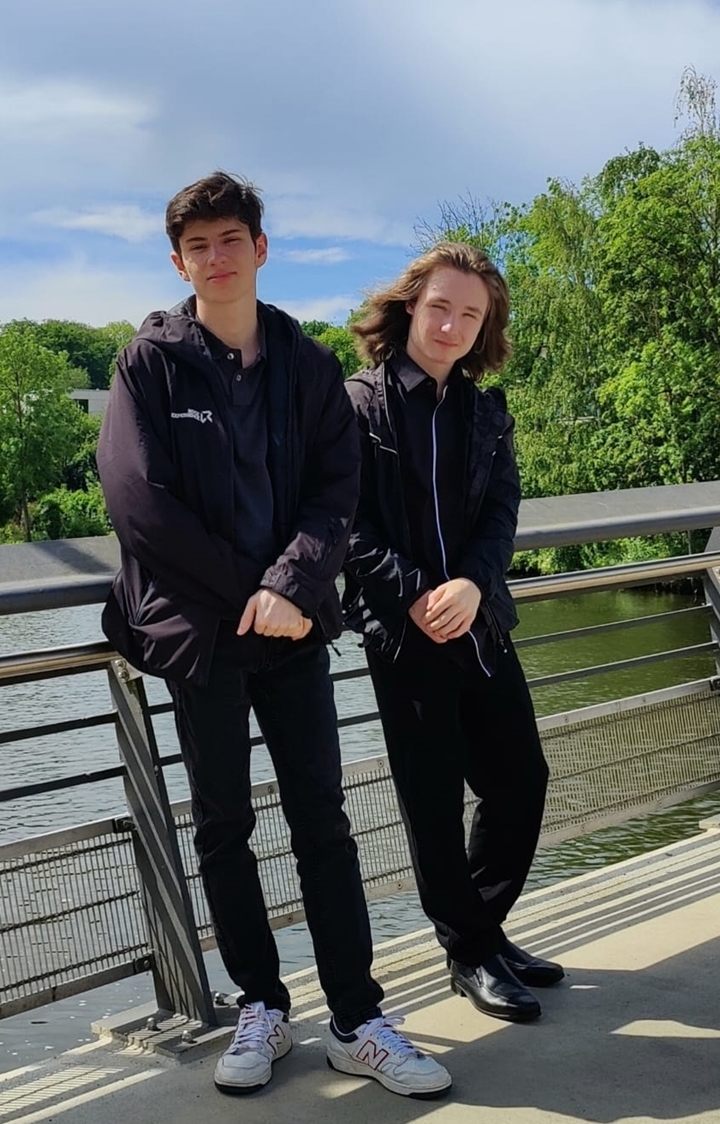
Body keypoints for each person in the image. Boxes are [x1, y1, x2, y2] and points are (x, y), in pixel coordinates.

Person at [97, 172, 451, 1099]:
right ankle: (260, 1005)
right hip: (203, 635)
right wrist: (252, 591)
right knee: (223, 826)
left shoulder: (305, 363)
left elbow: (339, 489)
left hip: (292, 628)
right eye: (198, 246)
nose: (217, 258)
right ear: (179, 262)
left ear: (261, 247)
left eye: (231, 239)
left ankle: (357, 1019)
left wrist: (291, 585)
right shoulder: (148, 364)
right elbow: (139, 504)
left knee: (323, 825)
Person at [343, 242, 564, 1025]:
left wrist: (473, 584)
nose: (452, 325)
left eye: (470, 314)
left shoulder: (485, 411)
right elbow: (345, 524)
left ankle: (484, 930)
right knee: (432, 802)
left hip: (479, 622)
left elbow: (502, 512)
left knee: (521, 780)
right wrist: (416, 595)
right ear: (411, 306)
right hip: (406, 636)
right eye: (441, 306)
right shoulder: (357, 406)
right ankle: (469, 952)